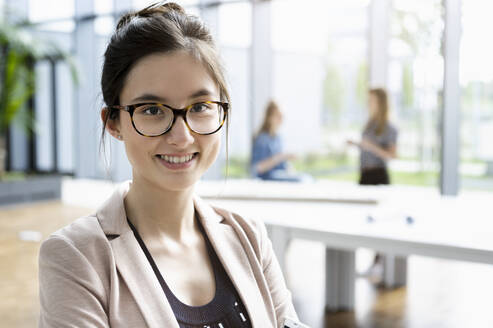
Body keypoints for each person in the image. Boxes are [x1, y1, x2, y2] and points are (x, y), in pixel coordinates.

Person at [38, 3, 302, 327]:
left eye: (201, 106)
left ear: (222, 112)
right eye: (152, 110)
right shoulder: (76, 257)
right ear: (114, 123)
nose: (182, 136)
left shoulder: (248, 236)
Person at [347, 88, 398, 283]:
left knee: (379, 222)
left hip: (379, 175)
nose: (369, 103)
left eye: (372, 100)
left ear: (381, 102)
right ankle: (370, 263)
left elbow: (391, 155)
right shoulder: (369, 124)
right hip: (364, 174)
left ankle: (379, 263)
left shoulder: (389, 128)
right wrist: (358, 145)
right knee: (362, 219)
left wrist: (370, 147)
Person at [251, 100, 304, 182]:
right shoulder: (262, 139)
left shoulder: (278, 138)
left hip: (279, 175)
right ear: (269, 117)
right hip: (267, 179)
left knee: (304, 178)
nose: (281, 119)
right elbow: (258, 168)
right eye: (278, 116)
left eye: (282, 116)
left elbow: (282, 165)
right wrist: (281, 157)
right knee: (300, 180)